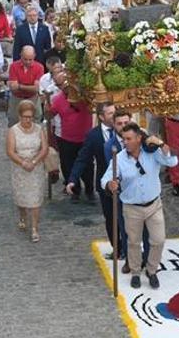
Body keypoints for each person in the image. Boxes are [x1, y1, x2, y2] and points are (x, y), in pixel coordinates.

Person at [101, 122, 178, 289]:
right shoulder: (119, 159)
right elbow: (105, 179)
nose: (125, 142)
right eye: (124, 139)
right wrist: (110, 185)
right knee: (134, 242)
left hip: (154, 205)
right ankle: (136, 272)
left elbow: (172, 161)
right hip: (132, 208)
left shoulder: (152, 153)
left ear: (138, 138)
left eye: (129, 139)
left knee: (158, 240)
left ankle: (151, 270)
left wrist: (161, 144)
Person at [66, 103, 119, 247]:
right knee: (110, 218)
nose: (114, 116)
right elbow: (83, 158)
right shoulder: (93, 135)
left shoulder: (123, 129)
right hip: (104, 183)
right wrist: (73, 179)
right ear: (101, 117)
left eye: (115, 112)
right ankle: (117, 248)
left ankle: (128, 248)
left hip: (125, 182)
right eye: (110, 113)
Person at [7, 100, 49, 243]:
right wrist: (22, 162)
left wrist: (35, 161)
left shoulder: (39, 129)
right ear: (20, 116)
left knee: (35, 198)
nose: (27, 120)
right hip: (20, 167)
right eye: (25, 117)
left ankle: (34, 228)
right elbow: (10, 151)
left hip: (36, 167)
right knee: (22, 197)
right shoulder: (13, 131)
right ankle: (23, 215)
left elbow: (44, 148)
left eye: (30, 117)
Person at [49, 73, 95, 202]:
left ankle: (90, 191)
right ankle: (75, 191)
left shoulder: (85, 97)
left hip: (85, 139)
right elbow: (51, 114)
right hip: (66, 139)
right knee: (68, 166)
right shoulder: (58, 99)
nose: (64, 86)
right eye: (61, 84)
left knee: (88, 167)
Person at [7, 45, 45, 126]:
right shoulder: (13, 66)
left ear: (34, 56)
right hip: (17, 99)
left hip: (33, 99)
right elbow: (13, 88)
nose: (28, 62)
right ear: (21, 55)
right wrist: (29, 87)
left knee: (35, 124)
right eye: (25, 59)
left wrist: (20, 86)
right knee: (14, 124)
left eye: (30, 60)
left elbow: (36, 89)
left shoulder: (39, 67)